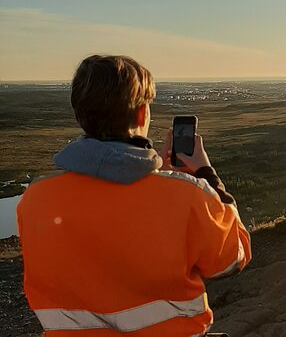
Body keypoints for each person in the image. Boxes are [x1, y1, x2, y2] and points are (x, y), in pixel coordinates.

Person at [17, 55, 251, 336]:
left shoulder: (35, 199)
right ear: (141, 115)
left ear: (81, 114)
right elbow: (233, 258)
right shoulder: (187, 195)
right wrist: (205, 174)